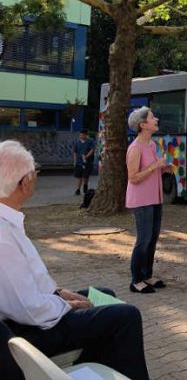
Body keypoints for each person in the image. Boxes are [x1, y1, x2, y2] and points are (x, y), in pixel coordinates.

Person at [0, 140, 149, 380]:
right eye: (35, 172)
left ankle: (95, 367)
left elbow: (26, 283)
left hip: (29, 317)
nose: (37, 177)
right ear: (25, 182)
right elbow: (29, 309)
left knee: (103, 293)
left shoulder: (8, 221)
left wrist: (60, 293)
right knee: (126, 316)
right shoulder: (3, 236)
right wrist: (67, 306)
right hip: (28, 331)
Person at [126, 107, 172, 293]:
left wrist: (163, 168)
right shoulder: (135, 148)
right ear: (143, 125)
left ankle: (147, 275)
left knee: (152, 238)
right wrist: (155, 166)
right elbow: (133, 177)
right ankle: (136, 280)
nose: (156, 119)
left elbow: (152, 170)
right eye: (152, 118)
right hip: (141, 200)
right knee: (143, 239)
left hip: (155, 198)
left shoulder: (152, 145)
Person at [72, 129, 95, 195]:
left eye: (83, 135)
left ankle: (85, 186)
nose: (81, 136)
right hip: (79, 162)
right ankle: (78, 189)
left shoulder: (90, 141)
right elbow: (75, 152)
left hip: (87, 162)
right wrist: (75, 161)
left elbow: (92, 150)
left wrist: (86, 156)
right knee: (78, 176)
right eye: (80, 135)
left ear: (86, 135)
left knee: (85, 176)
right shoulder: (77, 142)